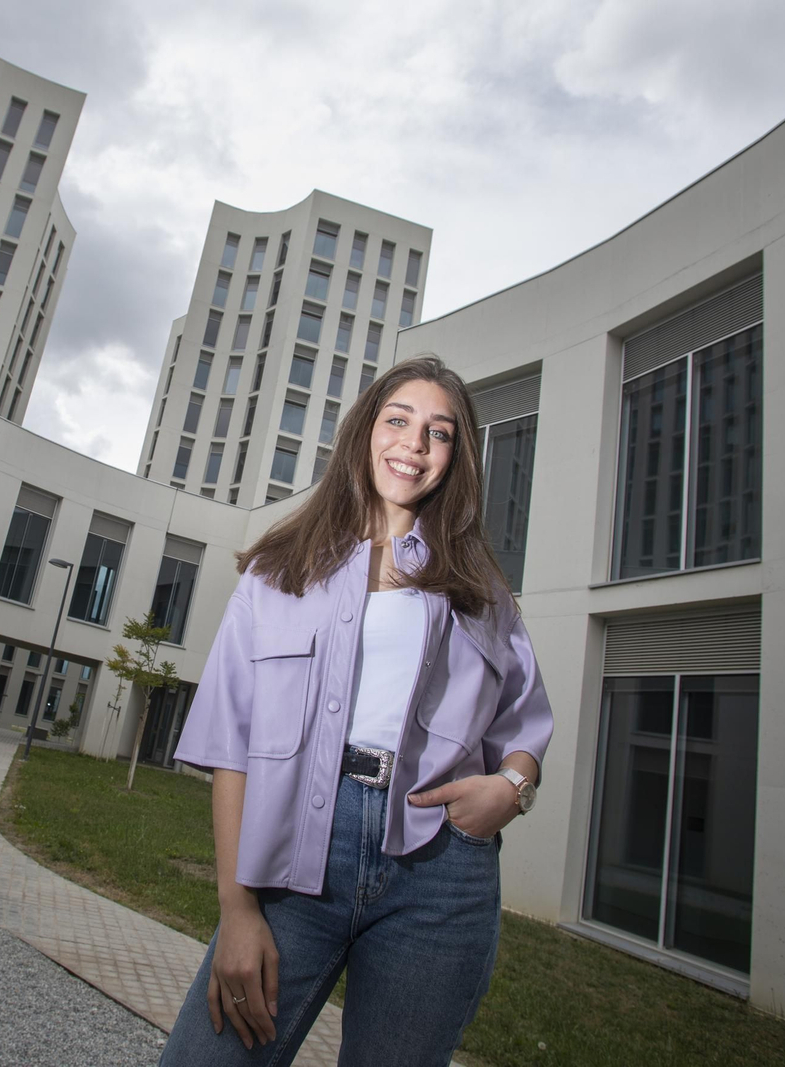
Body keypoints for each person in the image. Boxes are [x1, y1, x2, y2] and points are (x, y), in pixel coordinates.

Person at [158, 356, 553, 1067]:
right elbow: (229, 744)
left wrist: (511, 789)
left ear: (455, 458)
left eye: (439, 432)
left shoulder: (481, 589)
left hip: (441, 870)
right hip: (296, 857)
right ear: (365, 431)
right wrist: (237, 907)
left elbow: (523, 723)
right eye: (398, 420)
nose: (414, 443)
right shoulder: (277, 570)